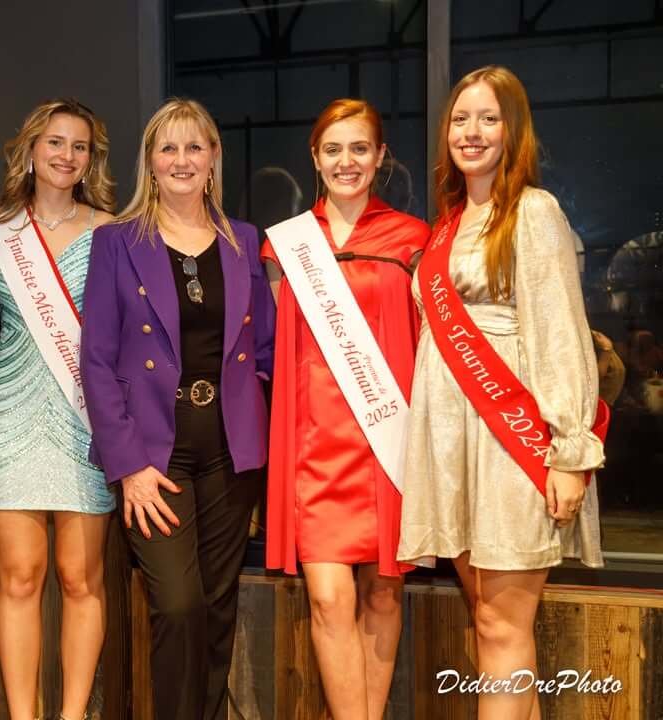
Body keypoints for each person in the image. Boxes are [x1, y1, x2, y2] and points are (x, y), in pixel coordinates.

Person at [397, 65, 606, 720]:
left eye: (488, 118)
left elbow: (562, 336)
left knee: (504, 628)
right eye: (460, 119)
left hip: (511, 447)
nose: (472, 131)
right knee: (488, 623)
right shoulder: (451, 224)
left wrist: (570, 452)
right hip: (454, 451)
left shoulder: (534, 213)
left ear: (512, 131)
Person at [80, 98, 275, 720]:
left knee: (217, 607)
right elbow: (97, 361)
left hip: (230, 450)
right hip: (154, 455)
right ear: (151, 163)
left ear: (214, 158)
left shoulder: (245, 241)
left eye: (196, 147)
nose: (182, 160)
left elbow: (264, 348)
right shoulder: (116, 242)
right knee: (178, 604)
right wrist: (128, 465)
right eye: (169, 148)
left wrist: (258, 419)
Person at [263, 98, 430, 720]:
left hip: (387, 442)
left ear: (380, 156)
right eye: (333, 149)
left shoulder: (414, 240)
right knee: (330, 600)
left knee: (384, 595)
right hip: (314, 445)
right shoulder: (285, 247)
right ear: (315, 157)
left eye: (360, 148)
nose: (346, 161)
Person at [0, 98, 115, 720]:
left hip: (87, 422)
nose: (66, 155)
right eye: (55, 142)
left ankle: (73, 714)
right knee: (19, 577)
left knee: (80, 579)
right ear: (31, 150)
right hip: (9, 417)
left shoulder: (114, 230)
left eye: (79, 146)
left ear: (91, 159)